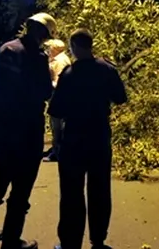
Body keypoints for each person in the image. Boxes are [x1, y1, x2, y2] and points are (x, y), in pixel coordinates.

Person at [0, 13, 55, 249]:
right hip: (29, 130)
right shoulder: (37, 58)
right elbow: (45, 93)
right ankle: (11, 241)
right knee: (21, 189)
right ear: (42, 34)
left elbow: (3, 88)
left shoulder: (6, 49)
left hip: (6, 129)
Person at [49, 29, 128, 249]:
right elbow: (120, 98)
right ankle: (98, 240)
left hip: (74, 139)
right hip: (99, 137)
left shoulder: (68, 74)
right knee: (100, 190)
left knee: (71, 194)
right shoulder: (107, 70)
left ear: (73, 47)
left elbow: (55, 110)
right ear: (90, 45)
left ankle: (70, 243)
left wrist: (57, 142)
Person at [43, 39, 73, 163]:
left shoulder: (59, 61)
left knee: (57, 126)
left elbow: (58, 82)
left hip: (58, 97)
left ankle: (57, 152)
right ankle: (58, 150)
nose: (48, 50)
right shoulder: (61, 58)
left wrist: (45, 81)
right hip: (61, 97)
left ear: (55, 48)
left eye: (49, 47)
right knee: (58, 125)